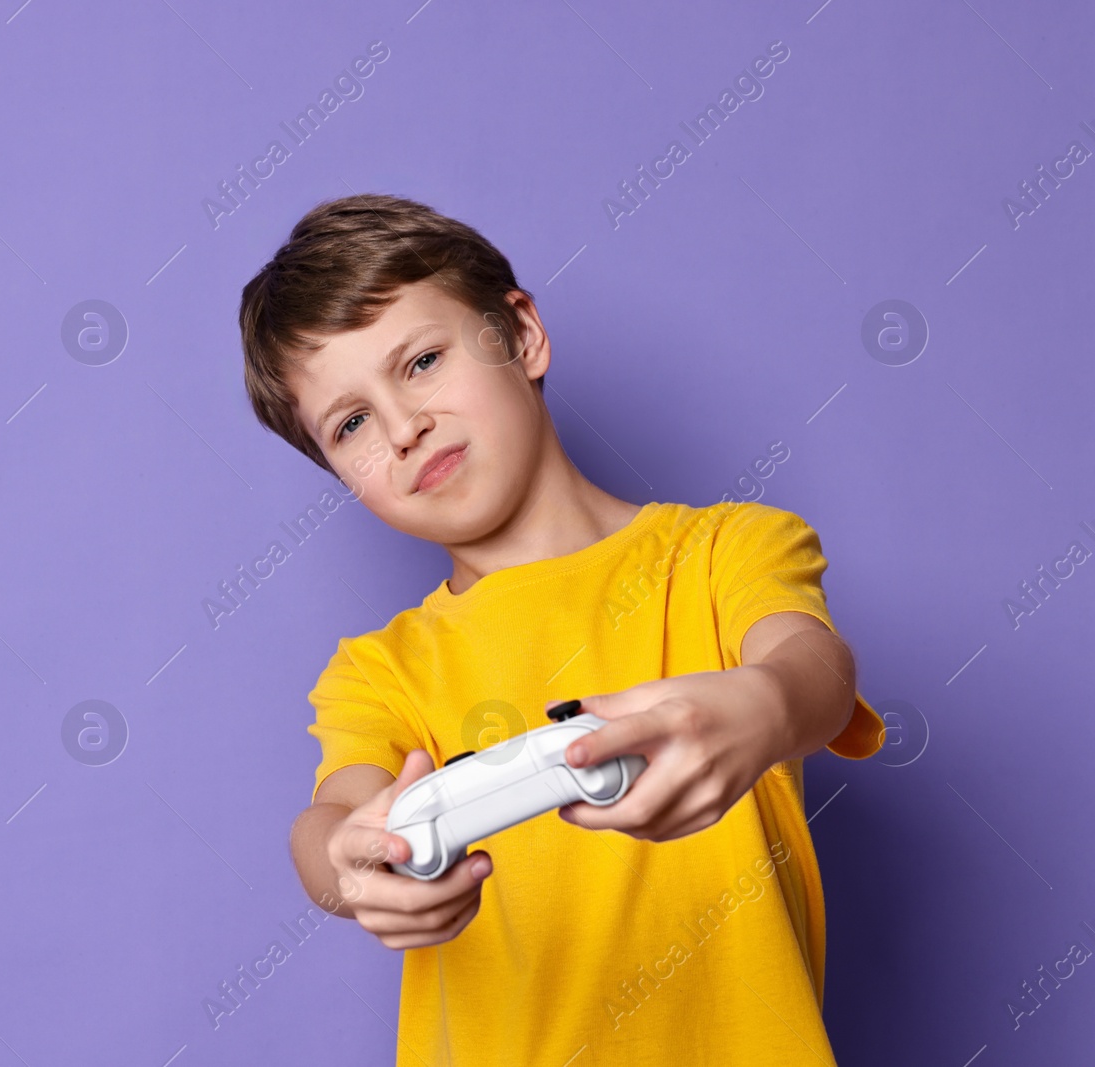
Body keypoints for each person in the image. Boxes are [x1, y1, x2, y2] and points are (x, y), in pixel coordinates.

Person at [237, 193, 885, 1065]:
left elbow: (813, 669)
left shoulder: (726, 550)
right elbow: (334, 818)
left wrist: (764, 707)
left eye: (422, 361)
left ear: (522, 336)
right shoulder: (379, 671)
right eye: (350, 423)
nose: (402, 427)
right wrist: (347, 867)